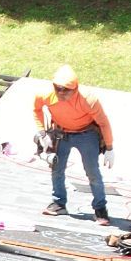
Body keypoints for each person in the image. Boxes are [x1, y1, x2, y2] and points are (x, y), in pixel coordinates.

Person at [31, 65, 114, 219]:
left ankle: (100, 208)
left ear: (75, 88)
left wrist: (109, 148)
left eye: (66, 90)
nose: (61, 93)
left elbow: (104, 123)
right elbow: (36, 109)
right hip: (62, 133)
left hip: (87, 135)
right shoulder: (45, 95)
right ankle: (59, 203)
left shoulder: (88, 99)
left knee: (92, 172)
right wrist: (42, 132)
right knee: (57, 168)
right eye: (58, 88)